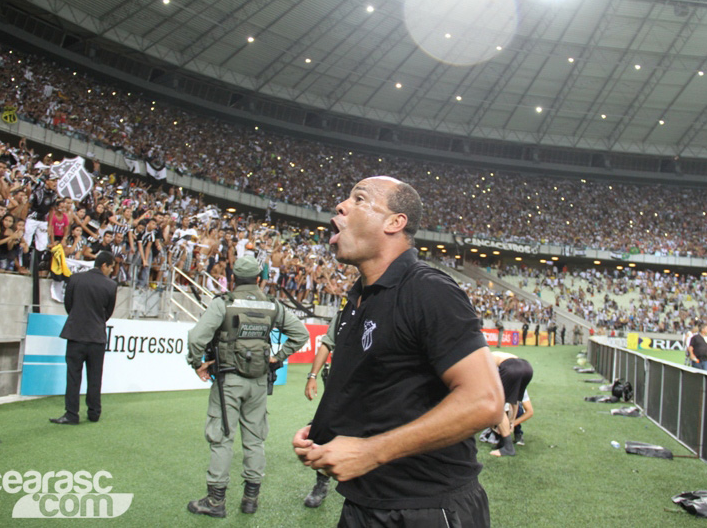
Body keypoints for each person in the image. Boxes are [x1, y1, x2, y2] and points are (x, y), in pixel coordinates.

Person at [292, 176, 504, 527]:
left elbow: (485, 401)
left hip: (427, 508)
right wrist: (324, 432)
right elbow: (384, 388)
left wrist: (370, 452)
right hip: (363, 502)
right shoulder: (359, 297)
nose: (341, 206)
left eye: (358, 199)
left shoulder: (427, 290)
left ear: (395, 222)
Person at [186, 256, 309, 518]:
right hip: (258, 382)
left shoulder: (224, 302)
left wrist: (197, 363)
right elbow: (301, 334)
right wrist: (278, 357)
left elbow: (196, 338)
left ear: (233, 278)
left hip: (228, 380)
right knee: (255, 441)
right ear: (257, 279)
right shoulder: (272, 305)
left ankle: (216, 501)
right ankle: (251, 499)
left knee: (222, 438)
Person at [49, 251, 118, 425]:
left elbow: (69, 305)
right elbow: (107, 313)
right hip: (97, 337)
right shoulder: (111, 285)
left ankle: (72, 414)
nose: (111, 270)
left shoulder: (75, 279)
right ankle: (94, 413)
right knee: (95, 376)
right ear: (104, 265)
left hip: (76, 335)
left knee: (73, 376)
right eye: (111, 267)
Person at [302, 316, 337, 508]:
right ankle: (321, 484)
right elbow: (327, 344)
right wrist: (312, 375)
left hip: (372, 386)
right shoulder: (344, 314)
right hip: (340, 382)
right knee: (325, 430)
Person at [489, 351, 534, 457]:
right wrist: (512, 422)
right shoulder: (493, 355)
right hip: (527, 367)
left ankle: (508, 448)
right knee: (511, 401)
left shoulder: (484, 361)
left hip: (511, 367)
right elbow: (515, 401)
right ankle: (504, 441)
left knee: (497, 407)